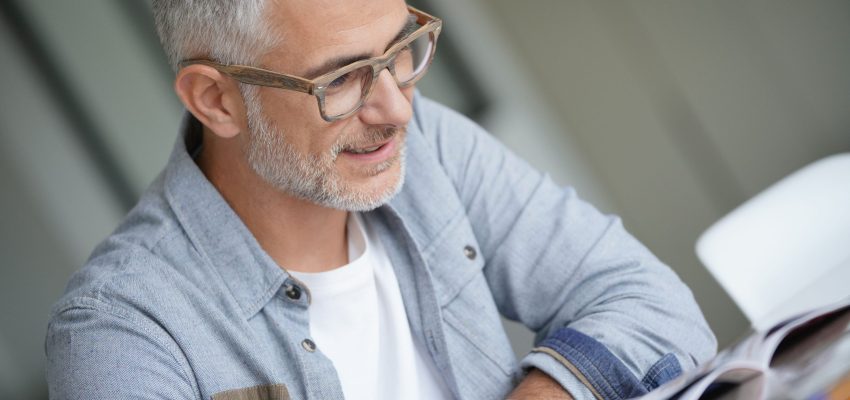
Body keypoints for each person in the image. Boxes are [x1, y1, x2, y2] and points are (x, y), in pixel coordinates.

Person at [45, 0, 716, 399]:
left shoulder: (428, 147)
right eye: (342, 80)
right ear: (217, 100)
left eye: (400, 50)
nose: (396, 108)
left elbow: (649, 301)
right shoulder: (121, 329)